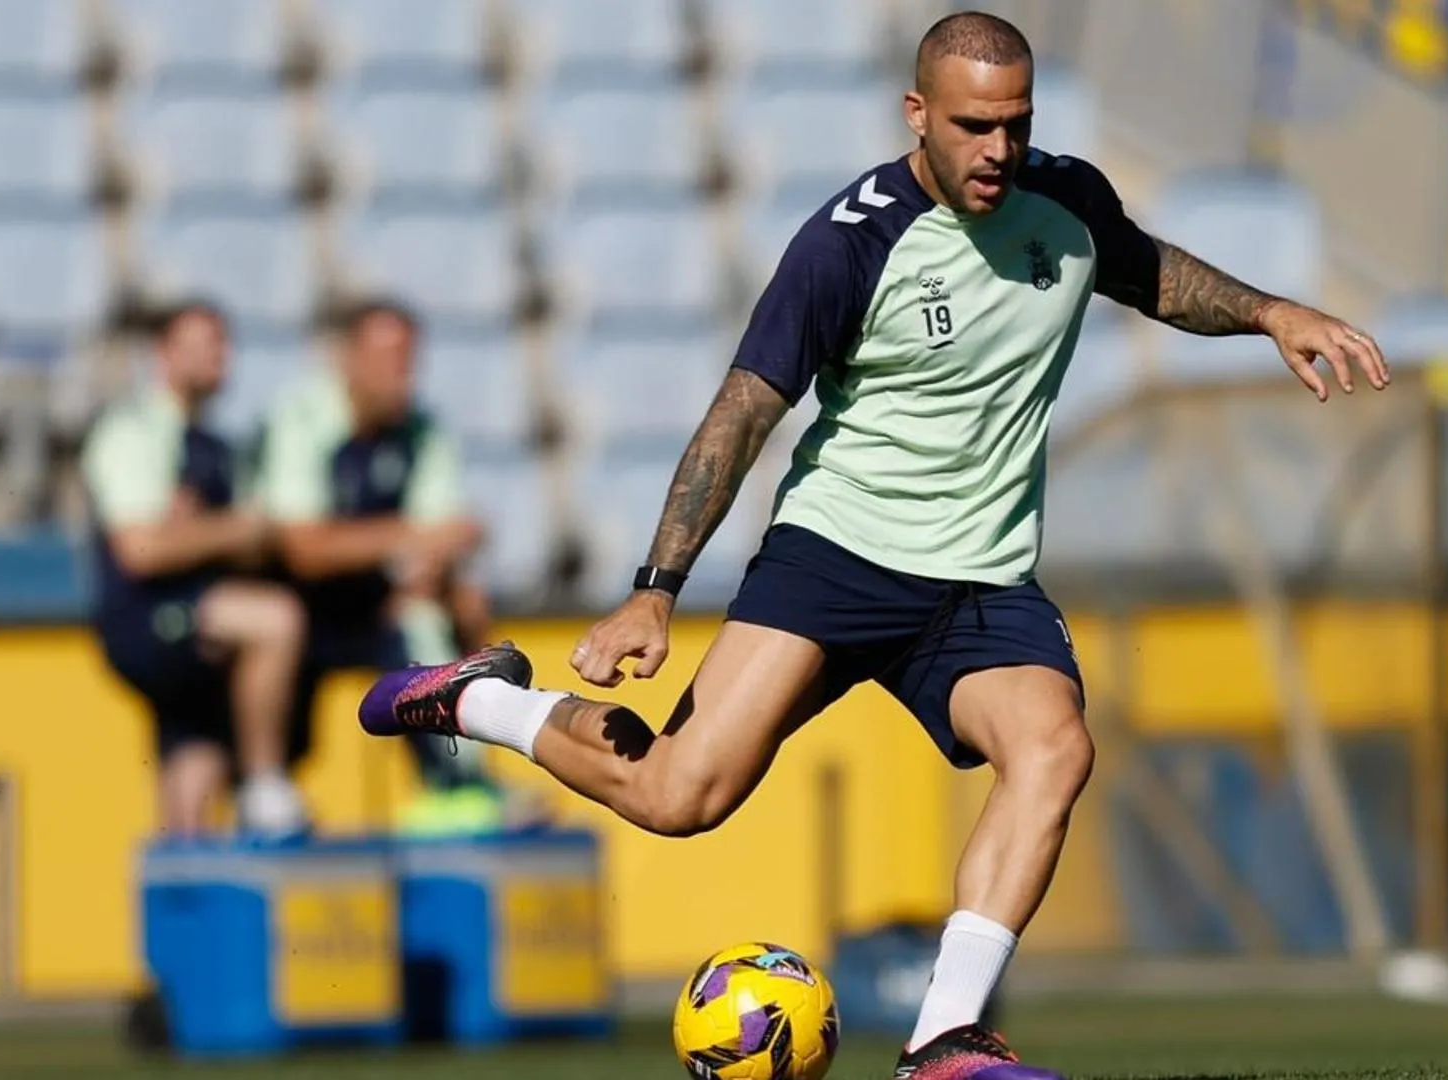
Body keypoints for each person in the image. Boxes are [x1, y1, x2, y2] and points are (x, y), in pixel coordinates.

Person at [359, 11, 1389, 1078]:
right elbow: (740, 416)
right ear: (916, 114)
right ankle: (475, 698)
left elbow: (1144, 270)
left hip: (980, 578)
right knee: (677, 796)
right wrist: (653, 590)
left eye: (1015, 124)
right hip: (835, 558)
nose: (998, 150)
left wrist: (1270, 313)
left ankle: (943, 1039)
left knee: (1052, 749)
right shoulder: (849, 241)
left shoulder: (1063, 198)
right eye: (972, 125)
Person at [255, 300, 537, 833]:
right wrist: (414, 538)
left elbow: (444, 537)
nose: (400, 374)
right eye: (386, 358)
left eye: (408, 360)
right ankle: (264, 786)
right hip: (295, 606)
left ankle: (459, 781)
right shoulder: (301, 418)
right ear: (348, 360)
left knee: (452, 604)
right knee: (272, 625)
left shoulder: (422, 429)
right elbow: (302, 549)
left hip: (378, 603)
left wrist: (427, 559)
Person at [82, 300, 311, 839]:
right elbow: (141, 549)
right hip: (149, 617)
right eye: (203, 343)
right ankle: (264, 784)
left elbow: (245, 540)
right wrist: (233, 529)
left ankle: (184, 891)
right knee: (276, 621)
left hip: (200, 615)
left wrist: (206, 531)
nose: (219, 357)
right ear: (163, 353)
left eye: (223, 344)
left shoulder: (214, 446)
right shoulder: (135, 430)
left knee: (196, 748)